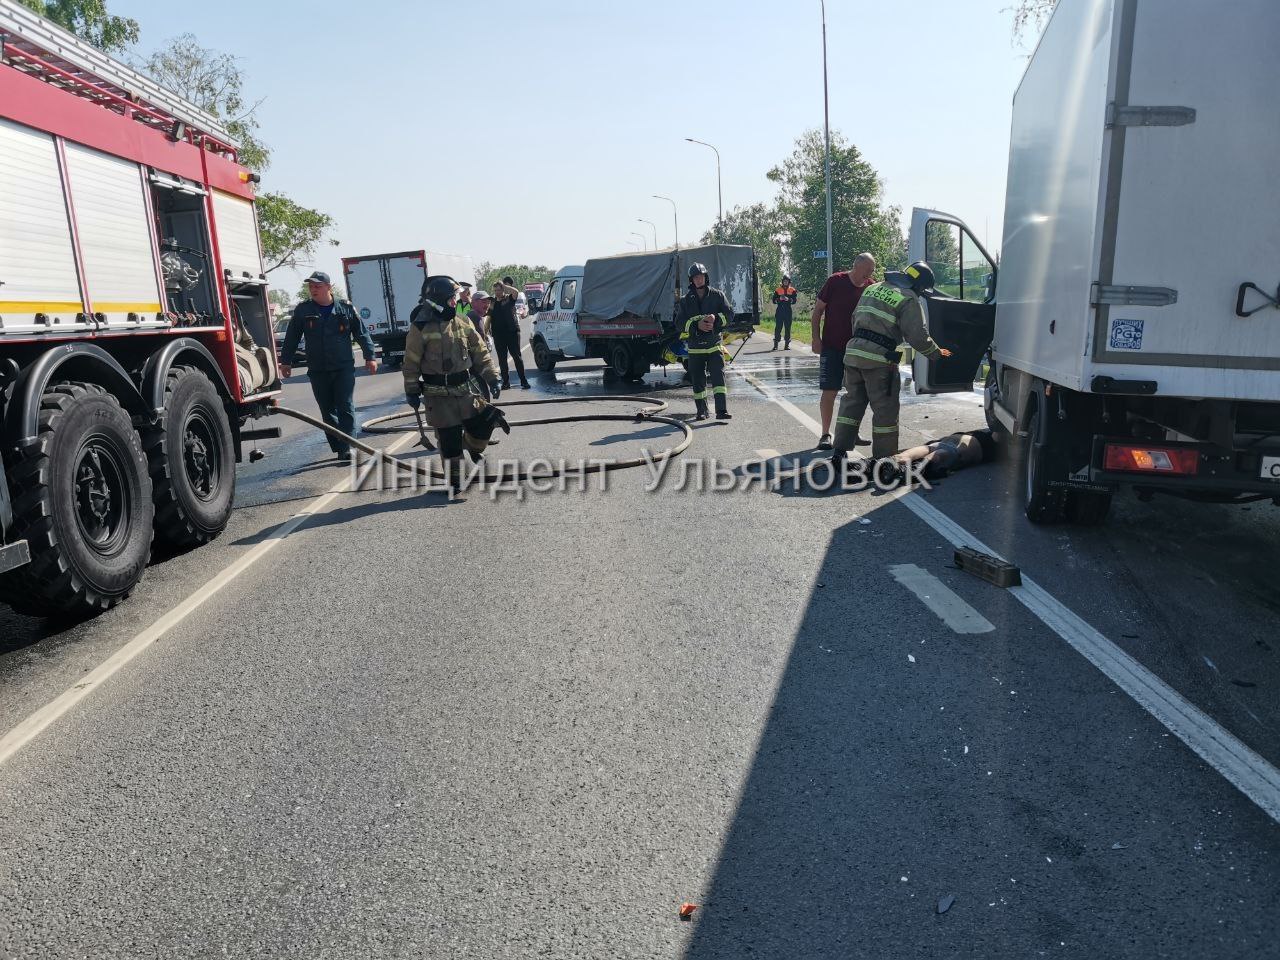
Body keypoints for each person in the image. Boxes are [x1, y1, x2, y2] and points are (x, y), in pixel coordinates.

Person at [831, 260, 953, 467]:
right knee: (885, 410)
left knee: (852, 403)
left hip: (853, 354)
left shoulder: (873, 287)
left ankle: (839, 452)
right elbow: (917, 335)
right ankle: (884, 460)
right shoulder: (909, 298)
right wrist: (936, 353)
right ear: (918, 285)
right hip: (879, 361)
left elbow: (854, 318)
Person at [402, 277, 505, 491]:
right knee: (449, 443)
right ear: (438, 301)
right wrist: (411, 389)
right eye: (452, 299)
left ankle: (470, 445)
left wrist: (492, 377)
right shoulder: (420, 327)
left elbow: (481, 353)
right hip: (438, 397)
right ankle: (457, 480)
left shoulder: (462, 321)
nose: (455, 303)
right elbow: (410, 362)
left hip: (466, 391)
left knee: (483, 426)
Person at [280, 270, 378, 463]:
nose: (313, 290)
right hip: (318, 369)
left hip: (343, 367)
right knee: (327, 411)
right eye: (311, 286)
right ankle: (339, 446)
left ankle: (348, 447)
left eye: (317, 286)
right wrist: (286, 361)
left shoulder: (345, 308)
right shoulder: (303, 310)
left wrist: (370, 356)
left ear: (328, 287)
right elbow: (291, 337)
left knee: (346, 406)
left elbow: (361, 333)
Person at [812, 253, 877, 450]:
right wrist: (816, 339)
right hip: (832, 347)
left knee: (856, 393)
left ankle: (852, 432)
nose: (870, 274)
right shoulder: (835, 282)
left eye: (872, 271)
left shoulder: (870, 287)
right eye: (868, 270)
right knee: (830, 391)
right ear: (857, 266)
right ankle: (825, 434)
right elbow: (817, 312)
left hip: (858, 350)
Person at [678, 262, 735, 421]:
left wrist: (716, 319)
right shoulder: (685, 300)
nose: (698, 280)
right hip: (695, 349)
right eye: (695, 277)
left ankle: (721, 410)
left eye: (701, 276)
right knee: (698, 382)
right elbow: (679, 323)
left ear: (705, 277)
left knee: (718, 379)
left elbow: (730, 315)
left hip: (714, 346)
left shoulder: (717, 295)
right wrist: (696, 325)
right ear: (691, 280)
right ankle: (702, 411)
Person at [896, 429, 997, 481]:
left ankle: (898, 458)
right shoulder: (994, 445)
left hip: (957, 437)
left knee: (931, 447)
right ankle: (918, 465)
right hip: (976, 444)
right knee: (949, 452)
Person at [489, 276, 530, 390]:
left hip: (512, 333)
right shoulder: (492, 302)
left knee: (517, 357)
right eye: (496, 290)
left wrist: (504, 285)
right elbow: (488, 317)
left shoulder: (509, 298)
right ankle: (506, 382)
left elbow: (515, 291)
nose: (498, 292)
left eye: (499, 290)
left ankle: (523, 381)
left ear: (503, 290)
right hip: (498, 335)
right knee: (502, 360)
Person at [771, 275, 798, 350]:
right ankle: (775, 345)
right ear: (782, 282)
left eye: (787, 281)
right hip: (779, 310)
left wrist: (788, 299)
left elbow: (794, 301)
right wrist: (779, 298)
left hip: (788, 311)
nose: (785, 282)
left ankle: (787, 345)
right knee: (778, 328)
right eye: (784, 281)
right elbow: (773, 301)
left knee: (787, 328)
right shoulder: (778, 290)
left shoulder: (792, 290)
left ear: (789, 282)